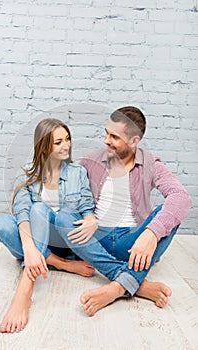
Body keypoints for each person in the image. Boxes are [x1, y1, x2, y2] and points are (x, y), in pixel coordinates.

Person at [55, 106, 192, 317]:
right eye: (106, 133)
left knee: (172, 216)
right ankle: (132, 282)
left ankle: (115, 289)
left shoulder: (150, 164)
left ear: (134, 141)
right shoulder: (91, 160)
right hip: (95, 240)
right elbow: (69, 191)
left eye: (114, 137)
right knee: (64, 217)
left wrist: (150, 234)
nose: (106, 140)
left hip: (132, 244)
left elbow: (181, 198)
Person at [0, 118, 98, 333]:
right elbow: (21, 211)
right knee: (3, 224)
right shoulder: (28, 172)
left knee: (39, 210)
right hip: (36, 242)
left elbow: (87, 206)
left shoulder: (77, 172)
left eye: (67, 139)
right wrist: (31, 249)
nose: (66, 145)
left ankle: (25, 287)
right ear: (43, 146)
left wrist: (91, 218)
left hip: (63, 237)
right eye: (58, 142)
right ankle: (61, 264)